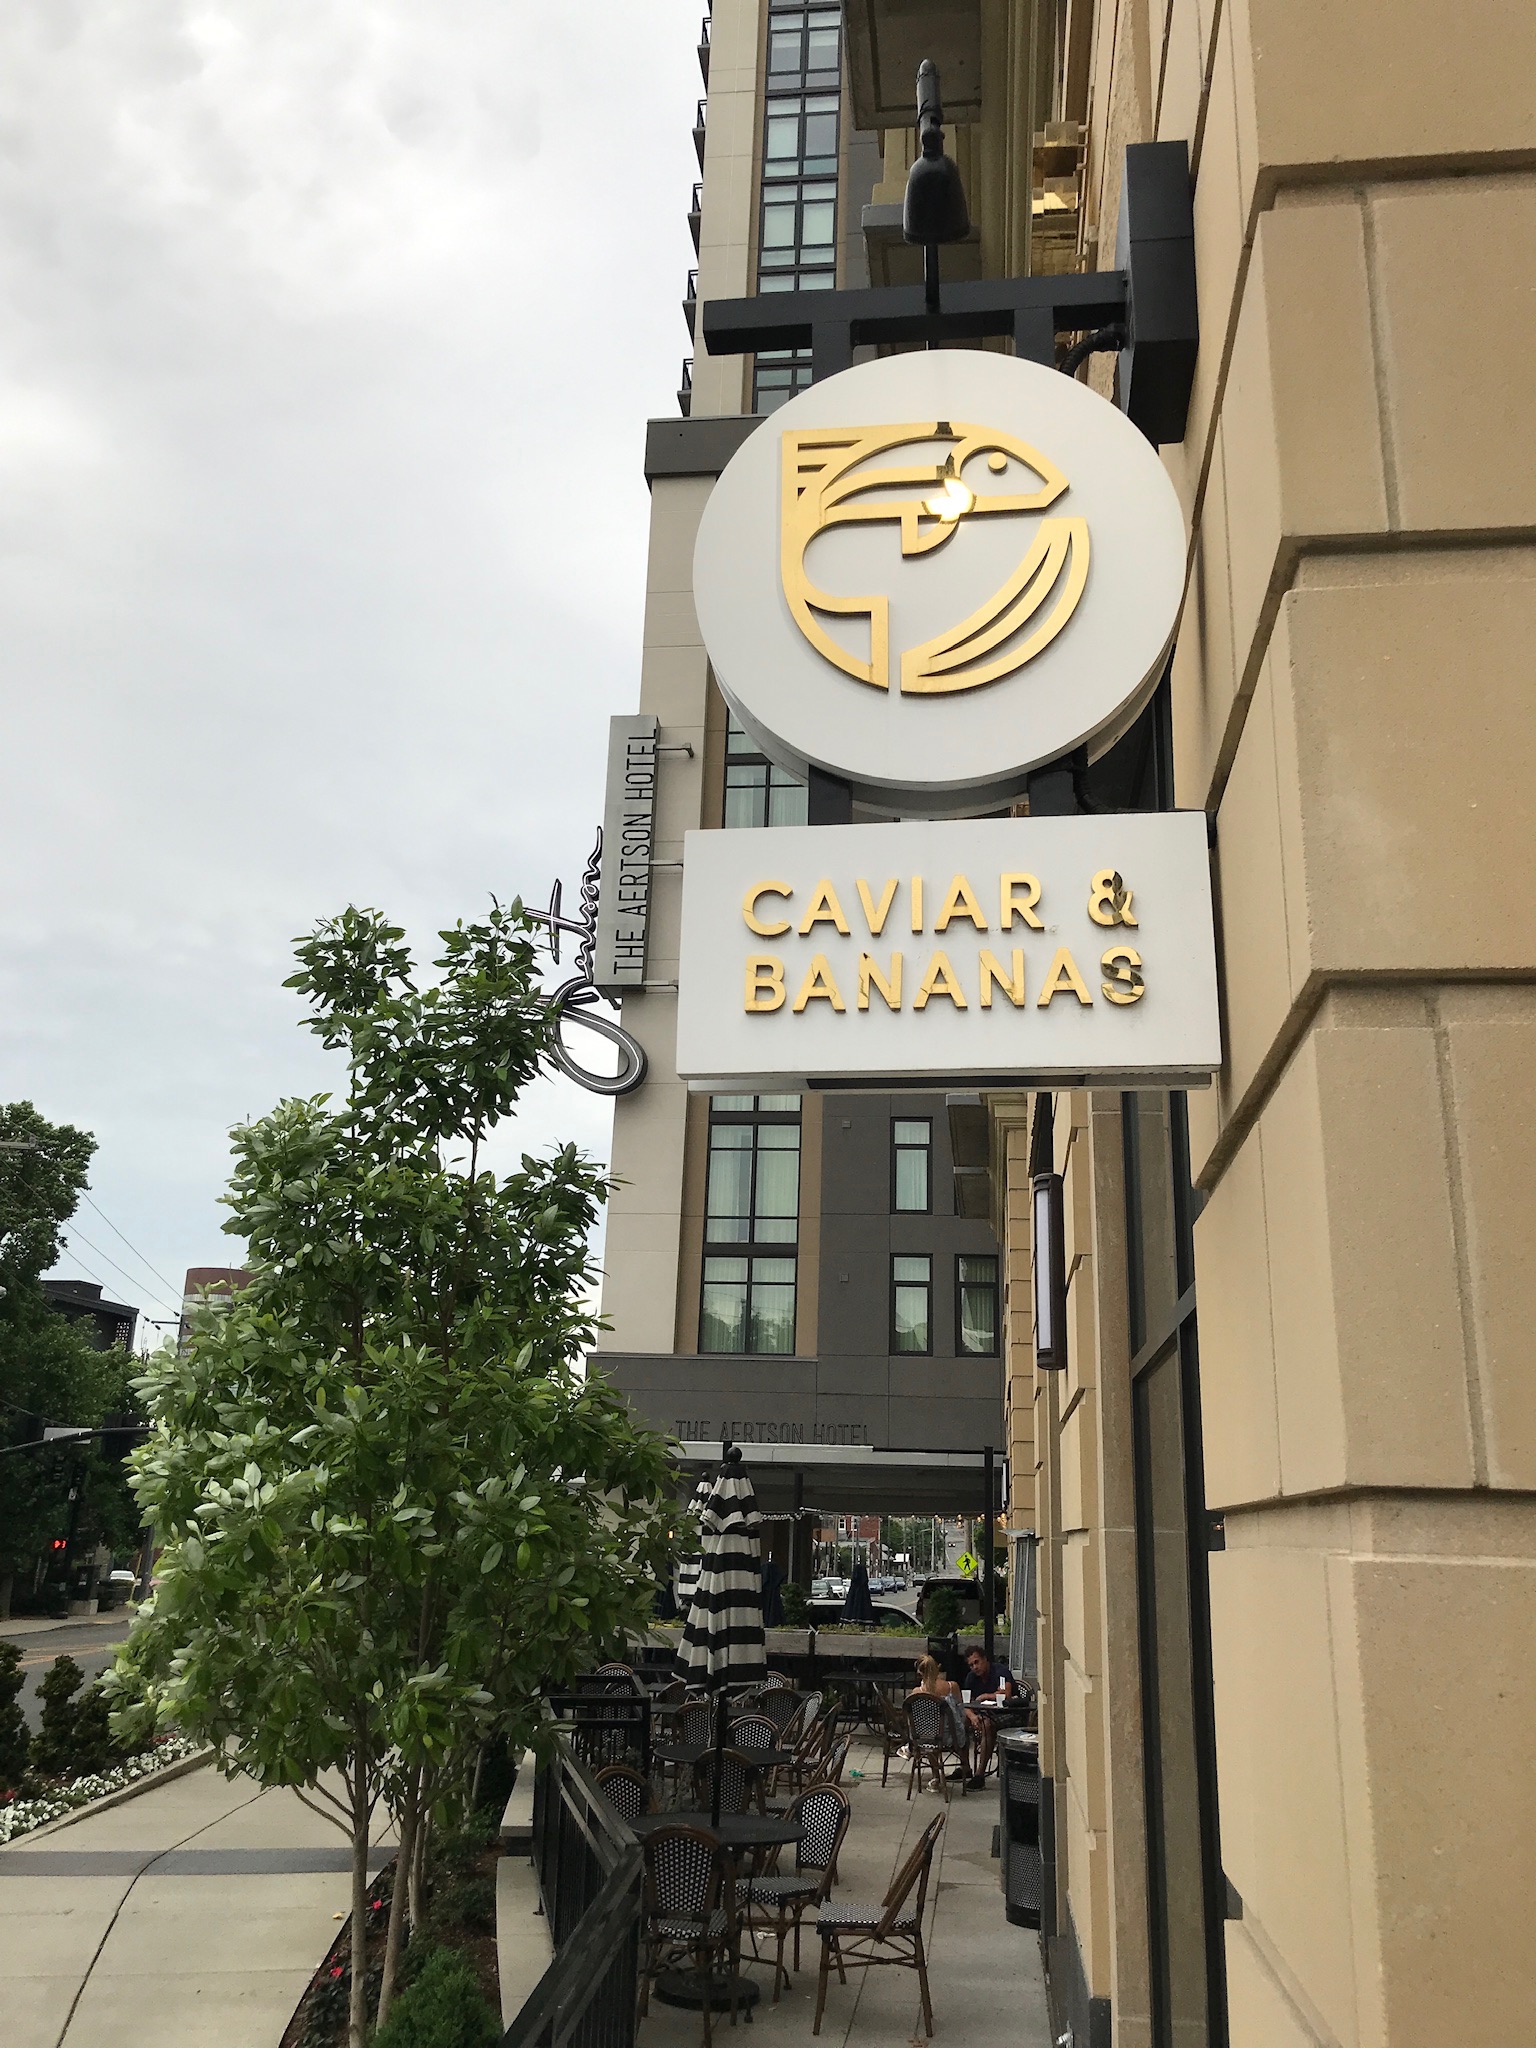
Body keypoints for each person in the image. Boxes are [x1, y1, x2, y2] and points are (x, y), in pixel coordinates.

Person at [962, 1645, 1017, 1785]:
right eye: (971, 1665)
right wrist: (972, 1717)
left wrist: (986, 1695)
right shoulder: (971, 1677)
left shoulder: (1000, 1672)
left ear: (985, 1659)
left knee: (987, 1725)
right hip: (982, 1714)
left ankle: (980, 1774)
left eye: (977, 1662)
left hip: (1007, 1714)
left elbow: (1006, 1693)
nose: (975, 1667)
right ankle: (965, 1767)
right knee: (960, 1723)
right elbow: (966, 1703)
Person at [906, 1654, 969, 1777]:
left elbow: (913, 1721)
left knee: (928, 1732)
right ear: (938, 1668)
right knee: (963, 1729)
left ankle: (935, 1775)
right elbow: (961, 1714)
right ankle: (965, 1767)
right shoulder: (952, 1687)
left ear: (920, 1673)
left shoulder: (916, 1693)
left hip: (925, 1739)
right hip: (952, 1737)